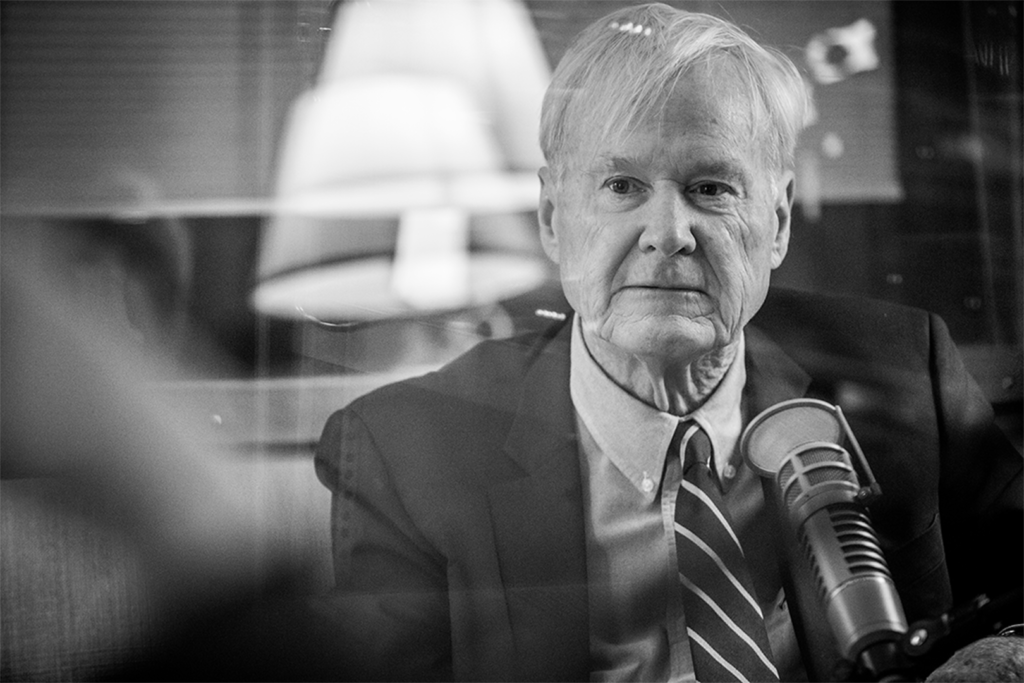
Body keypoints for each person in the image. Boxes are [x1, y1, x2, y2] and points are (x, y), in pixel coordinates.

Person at [314, 4, 1023, 681]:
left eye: (710, 187)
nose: (668, 232)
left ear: (776, 222)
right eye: (621, 185)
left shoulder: (903, 372)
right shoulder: (402, 453)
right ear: (553, 218)